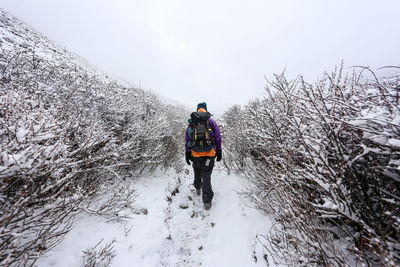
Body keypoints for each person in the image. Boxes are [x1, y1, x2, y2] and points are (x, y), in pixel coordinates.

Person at [185, 102, 222, 210]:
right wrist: (219, 151)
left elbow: (187, 139)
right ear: (205, 110)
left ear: (197, 110)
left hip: (195, 154)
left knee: (197, 172)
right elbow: (218, 137)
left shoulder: (192, 122)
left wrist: (187, 153)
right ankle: (207, 201)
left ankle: (197, 187)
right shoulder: (211, 121)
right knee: (206, 176)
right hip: (209, 155)